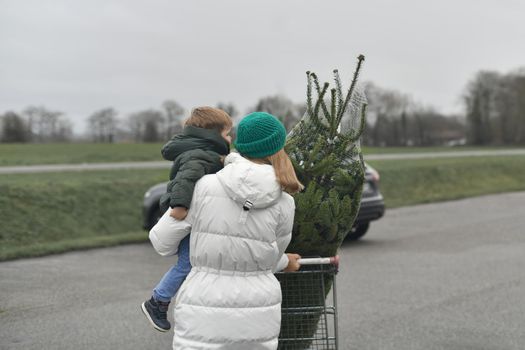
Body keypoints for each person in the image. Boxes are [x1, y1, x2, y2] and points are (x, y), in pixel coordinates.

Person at [149, 112, 302, 349]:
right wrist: (285, 262)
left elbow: (161, 242)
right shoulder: (286, 203)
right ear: (277, 147)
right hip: (257, 318)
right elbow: (269, 259)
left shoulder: (202, 187)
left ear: (239, 145)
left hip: (202, 317)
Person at [141, 106, 232, 332]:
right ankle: (157, 301)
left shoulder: (203, 152)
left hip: (198, 218)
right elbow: (186, 179)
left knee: (193, 262)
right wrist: (180, 206)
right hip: (189, 218)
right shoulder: (199, 154)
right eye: (227, 133)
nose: (230, 138)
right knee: (187, 263)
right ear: (212, 133)